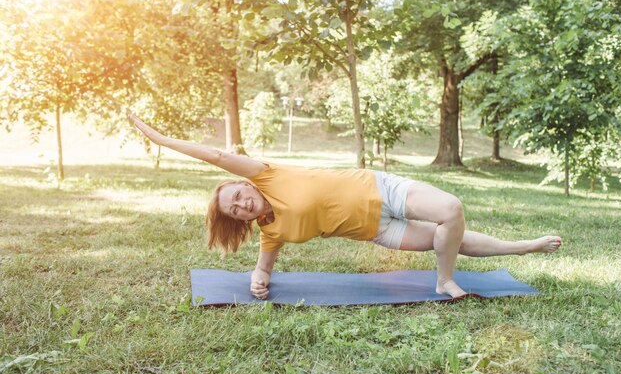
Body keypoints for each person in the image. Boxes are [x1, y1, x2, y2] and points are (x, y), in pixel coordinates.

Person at [129, 114, 561, 300]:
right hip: (378, 231)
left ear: (245, 183)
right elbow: (264, 267)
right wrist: (259, 279)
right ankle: (524, 247)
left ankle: (443, 281)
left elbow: (218, 157)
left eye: (237, 195)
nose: (241, 204)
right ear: (241, 220)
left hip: (382, 189)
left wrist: (165, 141)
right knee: (450, 239)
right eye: (235, 211)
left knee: (451, 209)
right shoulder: (270, 231)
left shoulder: (265, 173)